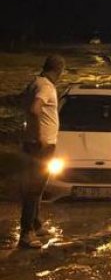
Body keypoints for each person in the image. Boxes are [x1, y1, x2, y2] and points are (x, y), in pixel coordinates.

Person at [19, 55, 65, 248]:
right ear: (58, 70)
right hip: (41, 145)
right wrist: (40, 135)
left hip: (32, 142)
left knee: (37, 187)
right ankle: (26, 233)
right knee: (34, 188)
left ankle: (36, 224)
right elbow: (35, 109)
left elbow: (24, 104)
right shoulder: (46, 86)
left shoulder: (35, 83)